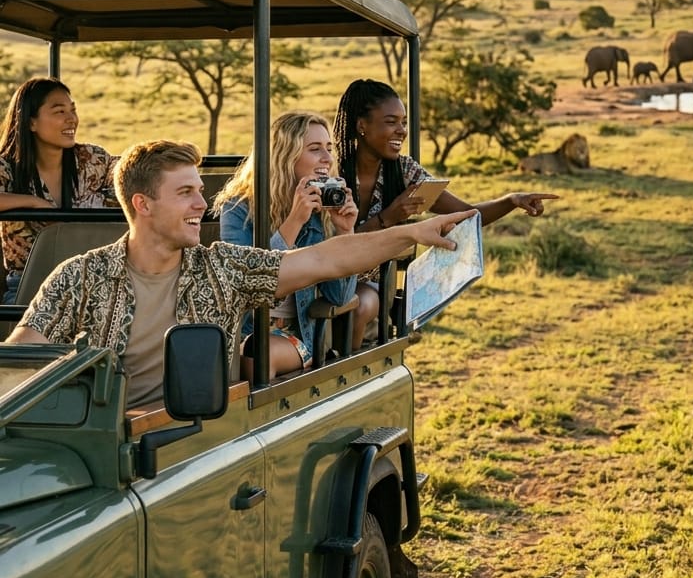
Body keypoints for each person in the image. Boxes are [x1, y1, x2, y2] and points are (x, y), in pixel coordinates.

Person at [3, 139, 474, 406]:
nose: (202, 204)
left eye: (199, 190)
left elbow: (325, 259)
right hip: (99, 449)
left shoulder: (223, 268)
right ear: (142, 205)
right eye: (186, 193)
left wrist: (413, 232)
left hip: (193, 443)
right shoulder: (78, 276)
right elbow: (18, 362)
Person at [333, 78, 559, 331]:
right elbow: (331, 249)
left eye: (404, 122)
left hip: (373, 285)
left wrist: (512, 200)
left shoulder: (404, 171)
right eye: (391, 122)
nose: (402, 131)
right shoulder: (332, 173)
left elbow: (466, 215)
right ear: (361, 125)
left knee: (362, 306)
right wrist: (389, 217)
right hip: (328, 276)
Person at [216, 111, 377, 378]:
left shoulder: (323, 209)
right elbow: (245, 283)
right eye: (315, 149)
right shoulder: (238, 208)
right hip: (243, 329)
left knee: (259, 352)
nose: (327, 159)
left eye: (329, 148)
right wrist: (293, 222)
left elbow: (339, 297)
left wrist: (344, 233)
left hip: (297, 334)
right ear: (284, 156)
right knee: (247, 347)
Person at [0, 77, 117, 304]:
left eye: (73, 110)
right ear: (31, 122)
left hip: (89, 280)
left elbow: (130, 181)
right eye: (59, 111)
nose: (71, 118)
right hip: (30, 282)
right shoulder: (8, 167)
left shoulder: (93, 159)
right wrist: (32, 202)